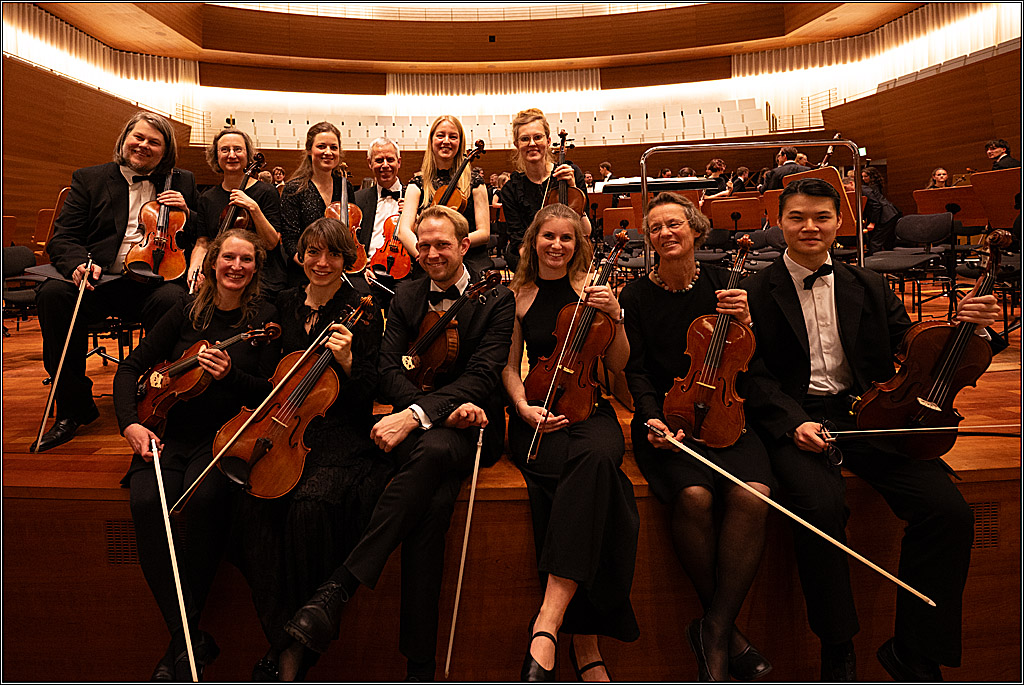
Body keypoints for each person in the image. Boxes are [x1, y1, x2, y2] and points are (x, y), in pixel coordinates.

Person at [743, 178, 1002, 681]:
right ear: (780, 223)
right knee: (818, 509)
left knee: (948, 511)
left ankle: (915, 651)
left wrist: (973, 327)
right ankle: (837, 647)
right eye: (797, 217)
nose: (810, 227)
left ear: (840, 223)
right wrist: (793, 422)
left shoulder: (869, 285)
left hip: (877, 416)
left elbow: (913, 346)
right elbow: (752, 373)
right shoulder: (755, 291)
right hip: (801, 419)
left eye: (821, 217)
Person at [284, 205, 515, 681]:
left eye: (442, 245)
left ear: (464, 247)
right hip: (421, 431)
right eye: (424, 245)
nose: (431, 253)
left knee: (432, 453)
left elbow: (483, 373)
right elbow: (390, 370)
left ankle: (340, 587)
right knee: (428, 509)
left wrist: (416, 415)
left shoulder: (497, 298)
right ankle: (419, 667)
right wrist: (422, 412)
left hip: (473, 428)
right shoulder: (406, 293)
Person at [113, 228, 279, 681]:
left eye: (247, 260)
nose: (237, 267)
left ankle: (178, 649)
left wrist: (230, 377)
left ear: (256, 269)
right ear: (213, 263)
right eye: (229, 257)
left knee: (206, 503)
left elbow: (270, 393)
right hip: (163, 432)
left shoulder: (263, 319)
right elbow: (130, 367)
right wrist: (129, 423)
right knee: (147, 503)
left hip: (221, 438)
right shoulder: (184, 310)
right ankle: (188, 639)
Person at [620, 192, 773, 682]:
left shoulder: (724, 289)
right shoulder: (636, 297)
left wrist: (748, 324)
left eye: (674, 225)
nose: (665, 233)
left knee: (754, 496)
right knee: (693, 495)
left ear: (696, 231)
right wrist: (650, 419)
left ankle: (713, 630)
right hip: (669, 417)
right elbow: (637, 372)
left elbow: (755, 364)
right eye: (656, 227)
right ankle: (726, 635)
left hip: (728, 413)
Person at [232, 218, 393, 682]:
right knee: (250, 512)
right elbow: (268, 380)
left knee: (308, 508)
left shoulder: (360, 309)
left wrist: (346, 361)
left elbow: (366, 393)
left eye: (334, 255)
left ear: (348, 261)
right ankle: (281, 637)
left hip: (336, 430)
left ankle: (297, 649)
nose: (322, 263)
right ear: (300, 256)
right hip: (280, 426)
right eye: (313, 253)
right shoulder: (280, 304)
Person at [502, 203, 639, 681]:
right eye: (548, 237)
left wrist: (617, 317)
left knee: (599, 455)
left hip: (590, 408)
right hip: (537, 410)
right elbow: (507, 363)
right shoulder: (517, 295)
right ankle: (587, 643)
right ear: (533, 241)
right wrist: (521, 406)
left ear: (577, 245)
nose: (557, 245)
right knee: (605, 486)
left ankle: (549, 622)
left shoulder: (594, 293)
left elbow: (617, 364)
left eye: (567, 238)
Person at [33, 111, 198, 452]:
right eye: (138, 137)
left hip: (152, 282)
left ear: (164, 151)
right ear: (124, 139)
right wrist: (79, 264)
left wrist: (190, 213)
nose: (144, 145)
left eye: (154, 142)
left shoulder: (181, 180)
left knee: (173, 299)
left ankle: (154, 397)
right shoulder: (89, 179)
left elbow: (196, 236)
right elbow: (63, 239)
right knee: (53, 294)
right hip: (101, 279)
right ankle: (73, 406)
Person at [189, 127, 286, 297]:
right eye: (225, 150)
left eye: (237, 149)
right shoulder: (207, 198)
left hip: (262, 276)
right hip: (222, 274)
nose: (231, 155)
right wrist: (194, 269)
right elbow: (203, 243)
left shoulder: (266, 192)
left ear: (248, 155)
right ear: (216, 156)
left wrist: (253, 208)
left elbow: (271, 243)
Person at [394, 115, 492, 275]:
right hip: (429, 262)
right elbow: (404, 230)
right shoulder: (417, 183)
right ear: (432, 140)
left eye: (453, 136)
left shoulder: (474, 182)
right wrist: (424, 255)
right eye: (440, 135)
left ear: (460, 142)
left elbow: (484, 233)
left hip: (469, 259)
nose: (446, 141)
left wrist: (451, 247)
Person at [500, 109, 592, 273]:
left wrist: (573, 190)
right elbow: (519, 239)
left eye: (537, 137)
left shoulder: (572, 173)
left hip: (570, 254)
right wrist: (540, 270)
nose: (532, 144)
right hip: (531, 260)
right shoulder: (511, 189)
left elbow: (586, 231)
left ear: (548, 141)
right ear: (517, 145)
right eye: (525, 139)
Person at [280, 122, 357, 287]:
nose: (328, 152)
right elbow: (290, 241)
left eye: (333, 147)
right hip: (305, 272)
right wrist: (317, 269)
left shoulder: (345, 186)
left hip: (339, 271)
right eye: (321, 146)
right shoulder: (294, 189)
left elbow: (351, 234)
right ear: (309, 150)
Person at [861, 166, 901, 254]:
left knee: (875, 242)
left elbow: (876, 205)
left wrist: (872, 222)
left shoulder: (869, 189)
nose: (864, 179)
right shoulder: (873, 186)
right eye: (862, 176)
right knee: (887, 242)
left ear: (872, 176)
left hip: (886, 215)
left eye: (866, 176)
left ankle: (873, 264)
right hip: (890, 214)